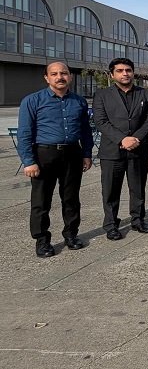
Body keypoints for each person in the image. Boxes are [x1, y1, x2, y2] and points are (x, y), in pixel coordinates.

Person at [17, 61, 93, 257]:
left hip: (72, 154)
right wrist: (28, 161)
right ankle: (42, 240)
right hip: (44, 155)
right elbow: (24, 133)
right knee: (41, 201)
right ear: (46, 77)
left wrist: (86, 154)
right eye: (55, 74)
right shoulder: (32, 101)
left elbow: (86, 131)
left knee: (71, 199)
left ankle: (71, 235)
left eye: (64, 73)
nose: (60, 77)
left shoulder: (79, 101)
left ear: (70, 76)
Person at [92, 58, 148, 239]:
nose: (125, 73)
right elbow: (100, 121)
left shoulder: (145, 94)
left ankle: (138, 220)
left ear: (133, 72)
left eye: (128, 70)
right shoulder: (102, 95)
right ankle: (111, 224)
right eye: (120, 71)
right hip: (112, 151)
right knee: (111, 190)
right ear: (112, 74)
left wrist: (136, 138)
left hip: (138, 148)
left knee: (138, 188)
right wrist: (122, 139)